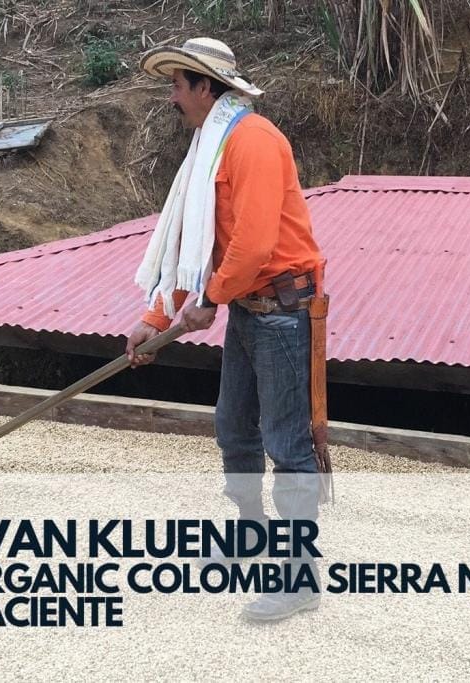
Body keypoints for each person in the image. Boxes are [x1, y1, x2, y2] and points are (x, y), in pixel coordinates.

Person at [126, 37, 324, 621]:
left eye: (177, 85)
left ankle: (301, 578)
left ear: (205, 87)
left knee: (288, 446)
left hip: (285, 312)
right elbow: (198, 245)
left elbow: (256, 243)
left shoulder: (254, 142)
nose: (171, 97)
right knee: (234, 428)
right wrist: (157, 318)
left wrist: (210, 300)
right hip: (248, 309)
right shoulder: (209, 148)